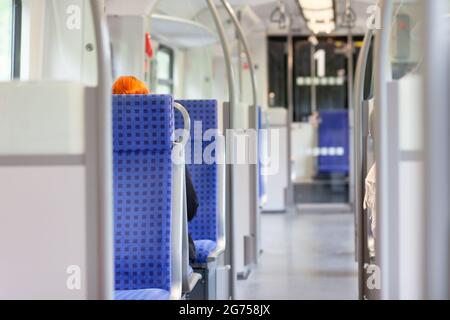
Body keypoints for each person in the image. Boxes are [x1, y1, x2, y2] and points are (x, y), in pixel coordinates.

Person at [113, 76, 199, 263]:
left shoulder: (98, 153)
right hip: (166, 255)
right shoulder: (168, 150)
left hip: (108, 257)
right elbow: (190, 208)